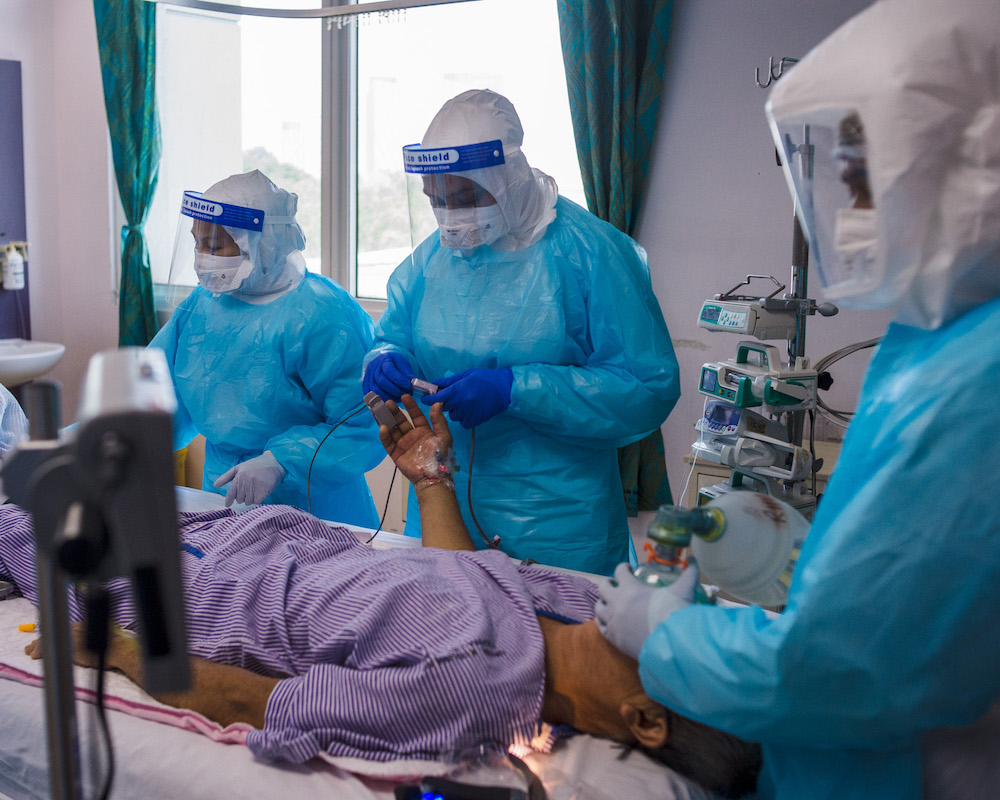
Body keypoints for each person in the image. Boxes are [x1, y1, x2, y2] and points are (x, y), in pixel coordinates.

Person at [596, 1, 1000, 798]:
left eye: (863, 179)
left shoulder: (977, 382)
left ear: (974, 160)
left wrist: (669, 637)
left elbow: (841, 671)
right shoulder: (938, 336)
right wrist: (807, 555)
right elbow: (908, 577)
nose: (844, 218)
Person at [0, 395, 761, 800]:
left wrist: (128, 652)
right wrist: (431, 479)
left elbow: (262, 704)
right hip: (276, 537)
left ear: (643, 720)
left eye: (678, 633)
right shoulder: (569, 603)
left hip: (214, 597)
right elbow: (465, 578)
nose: (664, 596)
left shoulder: (466, 690)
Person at [364, 89, 680, 575]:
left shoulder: (588, 253)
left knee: (556, 647)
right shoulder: (430, 260)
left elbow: (648, 387)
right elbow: (394, 334)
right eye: (437, 200)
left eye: (465, 196)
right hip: (441, 502)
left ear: (508, 178)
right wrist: (383, 357)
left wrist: (519, 389)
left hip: (558, 526)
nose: (451, 217)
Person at [150, 170, 385, 527]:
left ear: (262, 242)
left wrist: (282, 461)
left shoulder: (324, 315)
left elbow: (360, 425)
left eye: (214, 246)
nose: (201, 257)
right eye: (198, 243)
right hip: (222, 497)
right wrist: (92, 438)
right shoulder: (200, 306)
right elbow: (154, 395)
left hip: (314, 508)